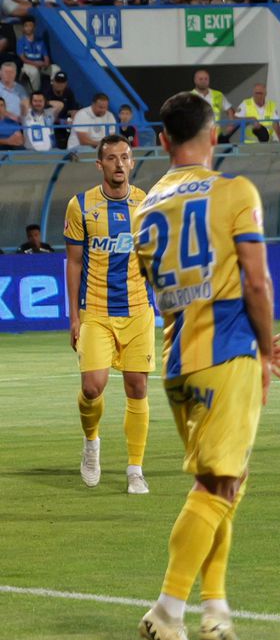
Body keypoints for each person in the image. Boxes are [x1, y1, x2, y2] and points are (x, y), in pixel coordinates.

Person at [132, 92, 280, 640]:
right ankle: (167, 610)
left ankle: (216, 609)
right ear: (217, 132)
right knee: (218, 488)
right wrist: (265, 347)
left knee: (226, 479)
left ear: (162, 142)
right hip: (227, 349)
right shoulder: (235, 191)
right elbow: (256, 281)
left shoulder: (146, 204)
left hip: (177, 359)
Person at [63, 135, 153, 495]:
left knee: (138, 386)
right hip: (96, 311)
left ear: (132, 163)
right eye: (112, 158)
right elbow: (72, 263)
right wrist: (74, 317)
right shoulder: (80, 206)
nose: (119, 163)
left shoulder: (147, 204)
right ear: (99, 165)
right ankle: (91, 443)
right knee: (92, 387)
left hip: (137, 311)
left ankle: (135, 468)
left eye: (125, 157)